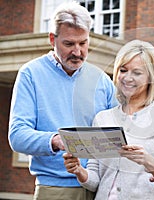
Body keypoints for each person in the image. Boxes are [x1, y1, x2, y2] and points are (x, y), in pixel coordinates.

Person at [8, 2, 117, 200]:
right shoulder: (31, 74)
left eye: (83, 43)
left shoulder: (101, 79)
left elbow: (122, 128)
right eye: (69, 44)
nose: (77, 52)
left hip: (101, 187)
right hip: (55, 189)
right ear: (52, 39)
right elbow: (17, 136)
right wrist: (56, 141)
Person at [63, 39, 154, 199]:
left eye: (137, 72)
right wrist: (79, 171)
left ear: (151, 77)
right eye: (123, 70)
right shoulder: (102, 118)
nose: (127, 78)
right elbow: (95, 180)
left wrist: (148, 161)